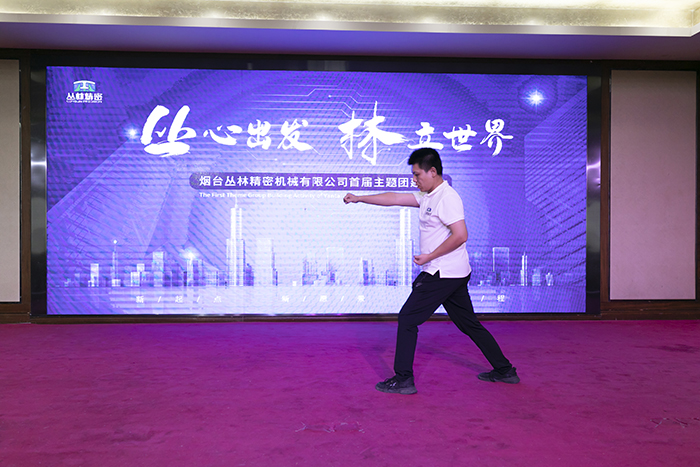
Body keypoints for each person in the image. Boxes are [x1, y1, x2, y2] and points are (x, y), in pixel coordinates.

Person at [343, 148, 519, 395]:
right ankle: (504, 370)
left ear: (433, 171)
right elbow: (394, 198)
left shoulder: (447, 197)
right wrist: (360, 198)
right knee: (469, 324)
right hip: (453, 273)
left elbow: (461, 235)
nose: (414, 179)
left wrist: (429, 256)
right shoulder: (428, 196)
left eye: (417, 174)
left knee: (407, 319)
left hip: (441, 272)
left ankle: (403, 379)